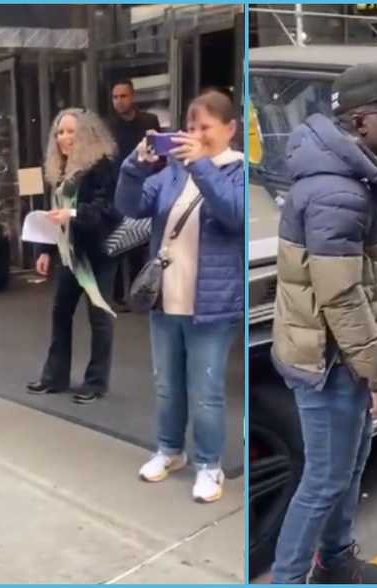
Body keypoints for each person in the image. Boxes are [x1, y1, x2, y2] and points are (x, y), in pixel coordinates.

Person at [269, 63, 377, 584]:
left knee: (348, 468)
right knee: (324, 480)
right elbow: (341, 297)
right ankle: (292, 577)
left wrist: (375, 368)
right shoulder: (339, 191)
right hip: (329, 362)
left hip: (342, 357)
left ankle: (335, 561)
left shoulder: (352, 177)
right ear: (359, 123)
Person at [115, 91, 244, 503]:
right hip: (164, 298)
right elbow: (131, 206)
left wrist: (201, 165)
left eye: (206, 127)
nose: (196, 135)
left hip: (212, 304)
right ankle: (170, 450)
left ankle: (210, 465)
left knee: (205, 390)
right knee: (167, 384)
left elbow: (234, 214)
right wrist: (134, 165)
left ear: (230, 129)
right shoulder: (171, 172)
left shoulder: (238, 171)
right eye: (190, 128)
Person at [27, 108, 123, 404]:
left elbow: (110, 211)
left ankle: (95, 383)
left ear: (86, 134)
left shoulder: (103, 166)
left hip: (98, 253)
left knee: (99, 317)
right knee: (60, 313)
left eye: (71, 132)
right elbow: (51, 214)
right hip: (69, 254)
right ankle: (54, 377)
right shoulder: (61, 170)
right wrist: (43, 250)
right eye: (59, 133)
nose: (64, 138)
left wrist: (73, 213)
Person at [107, 80, 162, 311]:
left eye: (123, 96)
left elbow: (159, 153)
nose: (119, 101)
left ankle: (144, 293)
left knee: (143, 247)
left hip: (148, 187)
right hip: (119, 189)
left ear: (133, 97)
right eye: (115, 97)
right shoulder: (109, 126)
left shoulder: (149, 122)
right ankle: (119, 296)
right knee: (120, 245)